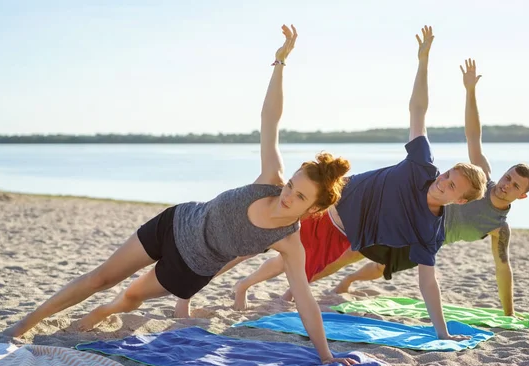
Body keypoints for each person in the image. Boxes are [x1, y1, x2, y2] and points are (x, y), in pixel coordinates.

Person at [4, 25, 357, 366]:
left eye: (299, 197)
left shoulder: (290, 243)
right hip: (175, 222)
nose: (288, 195)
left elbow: (306, 302)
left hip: (190, 267)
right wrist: (280, 63)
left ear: (313, 209)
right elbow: (270, 119)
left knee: (128, 298)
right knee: (102, 277)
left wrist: (325, 355)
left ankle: (105, 312)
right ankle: (23, 325)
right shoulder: (269, 178)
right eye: (291, 186)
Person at [182, 26, 488, 341]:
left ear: (460, 201)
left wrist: (443, 334)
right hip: (323, 197)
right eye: (448, 174)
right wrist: (423, 61)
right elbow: (418, 110)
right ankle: (190, 291)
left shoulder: (430, 231)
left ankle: (237, 287)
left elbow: (428, 283)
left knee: (285, 257)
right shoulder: (421, 164)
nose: (443, 182)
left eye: (452, 187)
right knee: (248, 242)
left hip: (341, 235)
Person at [323, 59, 529, 317]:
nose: (506, 185)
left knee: (381, 267)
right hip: (412, 212)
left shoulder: (498, 228)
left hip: (425, 238)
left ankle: (347, 282)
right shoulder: (482, 177)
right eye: (508, 177)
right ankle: (301, 286)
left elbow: (503, 268)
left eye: (514, 185)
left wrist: (509, 314)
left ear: (522, 195)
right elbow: (473, 135)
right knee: (351, 251)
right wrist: (470, 92)